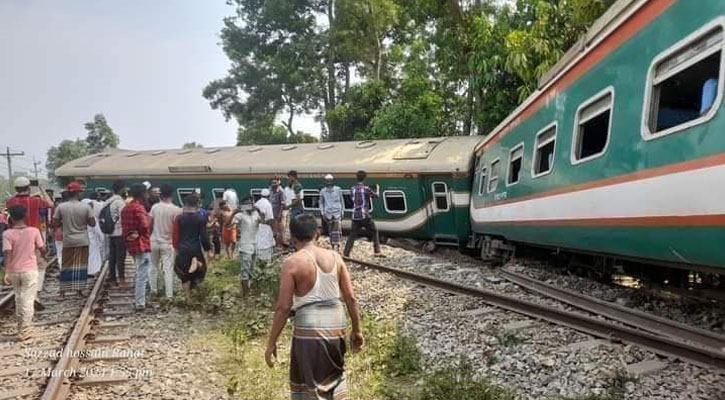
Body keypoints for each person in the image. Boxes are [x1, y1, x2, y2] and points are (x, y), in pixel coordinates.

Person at [265, 214, 364, 399]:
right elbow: (351, 298)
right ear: (317, 234)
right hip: (337, 323)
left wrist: (271, 342)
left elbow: (283, 307)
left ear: (292, 237)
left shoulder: (292, 263)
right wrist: (357, 330)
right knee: (335, 375)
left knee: (309, 383)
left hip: (308, 326)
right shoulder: (335, 257)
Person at [2, 205, 46, 341]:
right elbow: (42, 248)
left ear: (11, 218)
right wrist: (43, 255)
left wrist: (7, 272)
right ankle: (25, 330)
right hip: (30, 270)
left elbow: (7, 253)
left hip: (14, 271)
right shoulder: (34, 231)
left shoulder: (7, 234)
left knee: (18, 298)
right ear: (25, 216)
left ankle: (21, 327)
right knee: (27, 300)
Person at [6, 176, 53, 291]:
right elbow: (50, 204)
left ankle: (24, 288)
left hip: (14, 238)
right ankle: (35, 290)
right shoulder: (36, 201)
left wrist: (17, 192)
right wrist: (41, 187)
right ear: (28, 187)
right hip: (33, 237)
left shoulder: (10, 202)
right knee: (40, 265)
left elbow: (12, 200)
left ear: (16, 188)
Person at [53, 181, 96, 297]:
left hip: (68, 240)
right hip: (82, 240)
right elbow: (92, 224)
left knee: (67, 265)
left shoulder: (61, 207)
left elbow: (55, 223)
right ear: (78, 193)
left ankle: (62, 292)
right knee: (81, 265)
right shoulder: (86, 207)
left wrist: (64, 222)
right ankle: (79, 290)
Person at [172, 193, 213, 301]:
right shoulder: (200, 218)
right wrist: (208, 250)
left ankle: (187, 297)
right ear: (197, 205)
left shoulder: (179, 218)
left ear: (185, 204)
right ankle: (196, 267)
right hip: (195, 247)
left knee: (183, 273)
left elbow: (175, 234)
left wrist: (176, 248)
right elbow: (204, 236)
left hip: (183, 248)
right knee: (201, 270)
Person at [121, 183, 152, 311]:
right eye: (146, 192)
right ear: (142, 194)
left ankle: (144, 298)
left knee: (140, 270)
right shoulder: (139, 208)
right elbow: (145, 225)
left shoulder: (126, 208)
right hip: (141, 243)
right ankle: (140, 303)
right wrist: (149, 219)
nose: (147, 195)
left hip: (131, 244)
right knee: (142, 273)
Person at [149, 184, 182, 300]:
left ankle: (153, 290)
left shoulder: (155, 208)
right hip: (168, 243)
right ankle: (169, 295)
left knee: (153, 267)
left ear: (161, 194)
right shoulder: (177, 210)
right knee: (168, 269)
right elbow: (177, 229)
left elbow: (150, 225)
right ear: (171, 195)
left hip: (153, 241)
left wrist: (148, 237)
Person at [343, 170, 385, 258]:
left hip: (355, 216)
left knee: (352, 235)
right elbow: (376, 196)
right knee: (374, 231)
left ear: (357, 178)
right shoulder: (366, 189)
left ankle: (346, 253)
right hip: (364, 215)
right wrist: (377, 188)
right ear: (365, 178)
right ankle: (377, 251)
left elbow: (352, 198)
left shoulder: (352, 189)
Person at [233, 197, 261, 297]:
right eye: (247, 203)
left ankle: (250, 291)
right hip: (245, 246)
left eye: (251, 203)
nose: (249, 205)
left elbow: (264, 222)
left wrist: (259, 210)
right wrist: (234, 213)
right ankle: (245, 295)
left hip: (255, 245)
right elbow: (229, 225)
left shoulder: (256, 214)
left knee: (252, 270)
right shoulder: (240, 215)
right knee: (245, 270)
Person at [105, 180, 128, 288]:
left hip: (110, 233)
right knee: (120, 258)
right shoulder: (120, 202)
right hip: (120, 233)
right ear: (121, 189)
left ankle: (112, 279)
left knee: (112, 257)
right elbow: (124, 217)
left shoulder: (108, 201)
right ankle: (122, 280)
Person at [319, 174, 344, 252]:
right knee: (330, 230)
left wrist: (342, 211)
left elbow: (342, 201)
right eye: (327, 181)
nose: (329, 182)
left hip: (337, 212)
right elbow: (321, 203)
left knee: (337, 230)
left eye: (330, 181)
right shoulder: (323, 191)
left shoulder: (338, 189)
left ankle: (338, 245)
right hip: (328, 213)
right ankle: (333, 246)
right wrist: (322, 213)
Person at [83, 192, 105, 277]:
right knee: (93, 255)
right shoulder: (91, 217)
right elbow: (97, 230)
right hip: (92, 239)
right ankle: (92, 271)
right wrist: (101, 238)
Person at [255, 189, 275, 264]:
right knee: (266, 245)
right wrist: (274, 230)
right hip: (266, 227)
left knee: (258, 244)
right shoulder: (268, 204)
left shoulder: (256, 203)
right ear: (269, 196)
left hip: (257, 227)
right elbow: (270, 219)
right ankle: (266, 264)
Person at [286, 170, 303, 251]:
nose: (288, 178)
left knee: (294, 227)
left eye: (289, 177)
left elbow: (298, 199)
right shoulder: (294, 185)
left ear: (293, 176)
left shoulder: (296, 186)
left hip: (296, 209)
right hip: (295, 209)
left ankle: (293, 245)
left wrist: (288, 206)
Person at [268, 178, 285, 248]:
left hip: (277, 214)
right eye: (272, 183)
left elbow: (282, 204)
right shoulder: (270, 191)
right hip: (271, 214)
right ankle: (274, 244)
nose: (273, 184)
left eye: (275, 183)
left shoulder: (281, 192)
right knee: (273, 230)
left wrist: (280, 214)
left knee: (279, 231)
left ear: (278, 183)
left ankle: (280, 245)